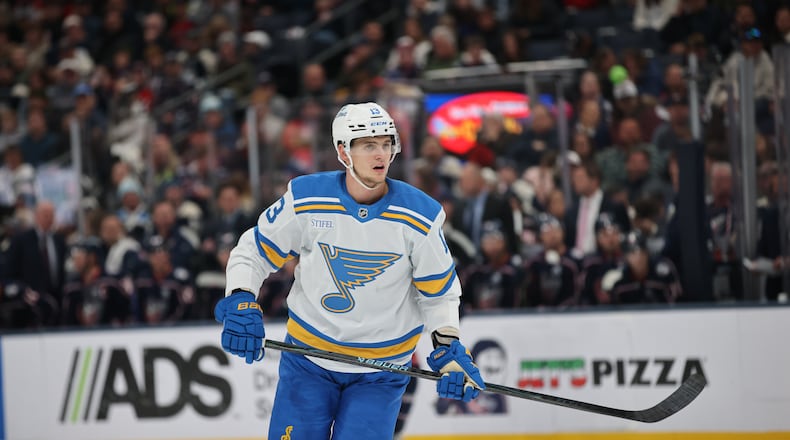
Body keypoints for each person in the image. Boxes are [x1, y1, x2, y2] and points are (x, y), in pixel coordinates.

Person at [213, 102, 484, 439]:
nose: (381, 154)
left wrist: (449, 347)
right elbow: (252, 250)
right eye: (369, 145)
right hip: (308, 361)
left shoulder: (421, 216)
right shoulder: (306, 199)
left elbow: (439, 293)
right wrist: (241, 297)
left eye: (386, 144)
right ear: (343, 151)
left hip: (381, 372)